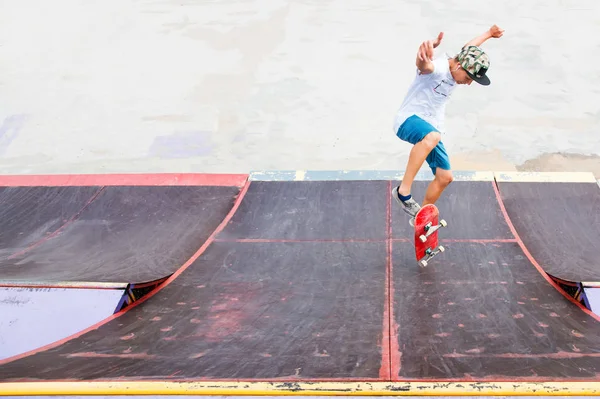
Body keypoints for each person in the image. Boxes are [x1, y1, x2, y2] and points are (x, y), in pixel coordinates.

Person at [392, 25, 504, 224]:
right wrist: (422, 57)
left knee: (445, 177)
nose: (468, 84)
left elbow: (470, 47)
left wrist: (489, 34)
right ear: (460, 67)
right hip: (408, 121)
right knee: (433, 137)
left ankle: (421, 218)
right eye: (469, 79)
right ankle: (403, 192)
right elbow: (425, 67)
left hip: (430, 129)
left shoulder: (461, 61)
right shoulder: (440, 68)